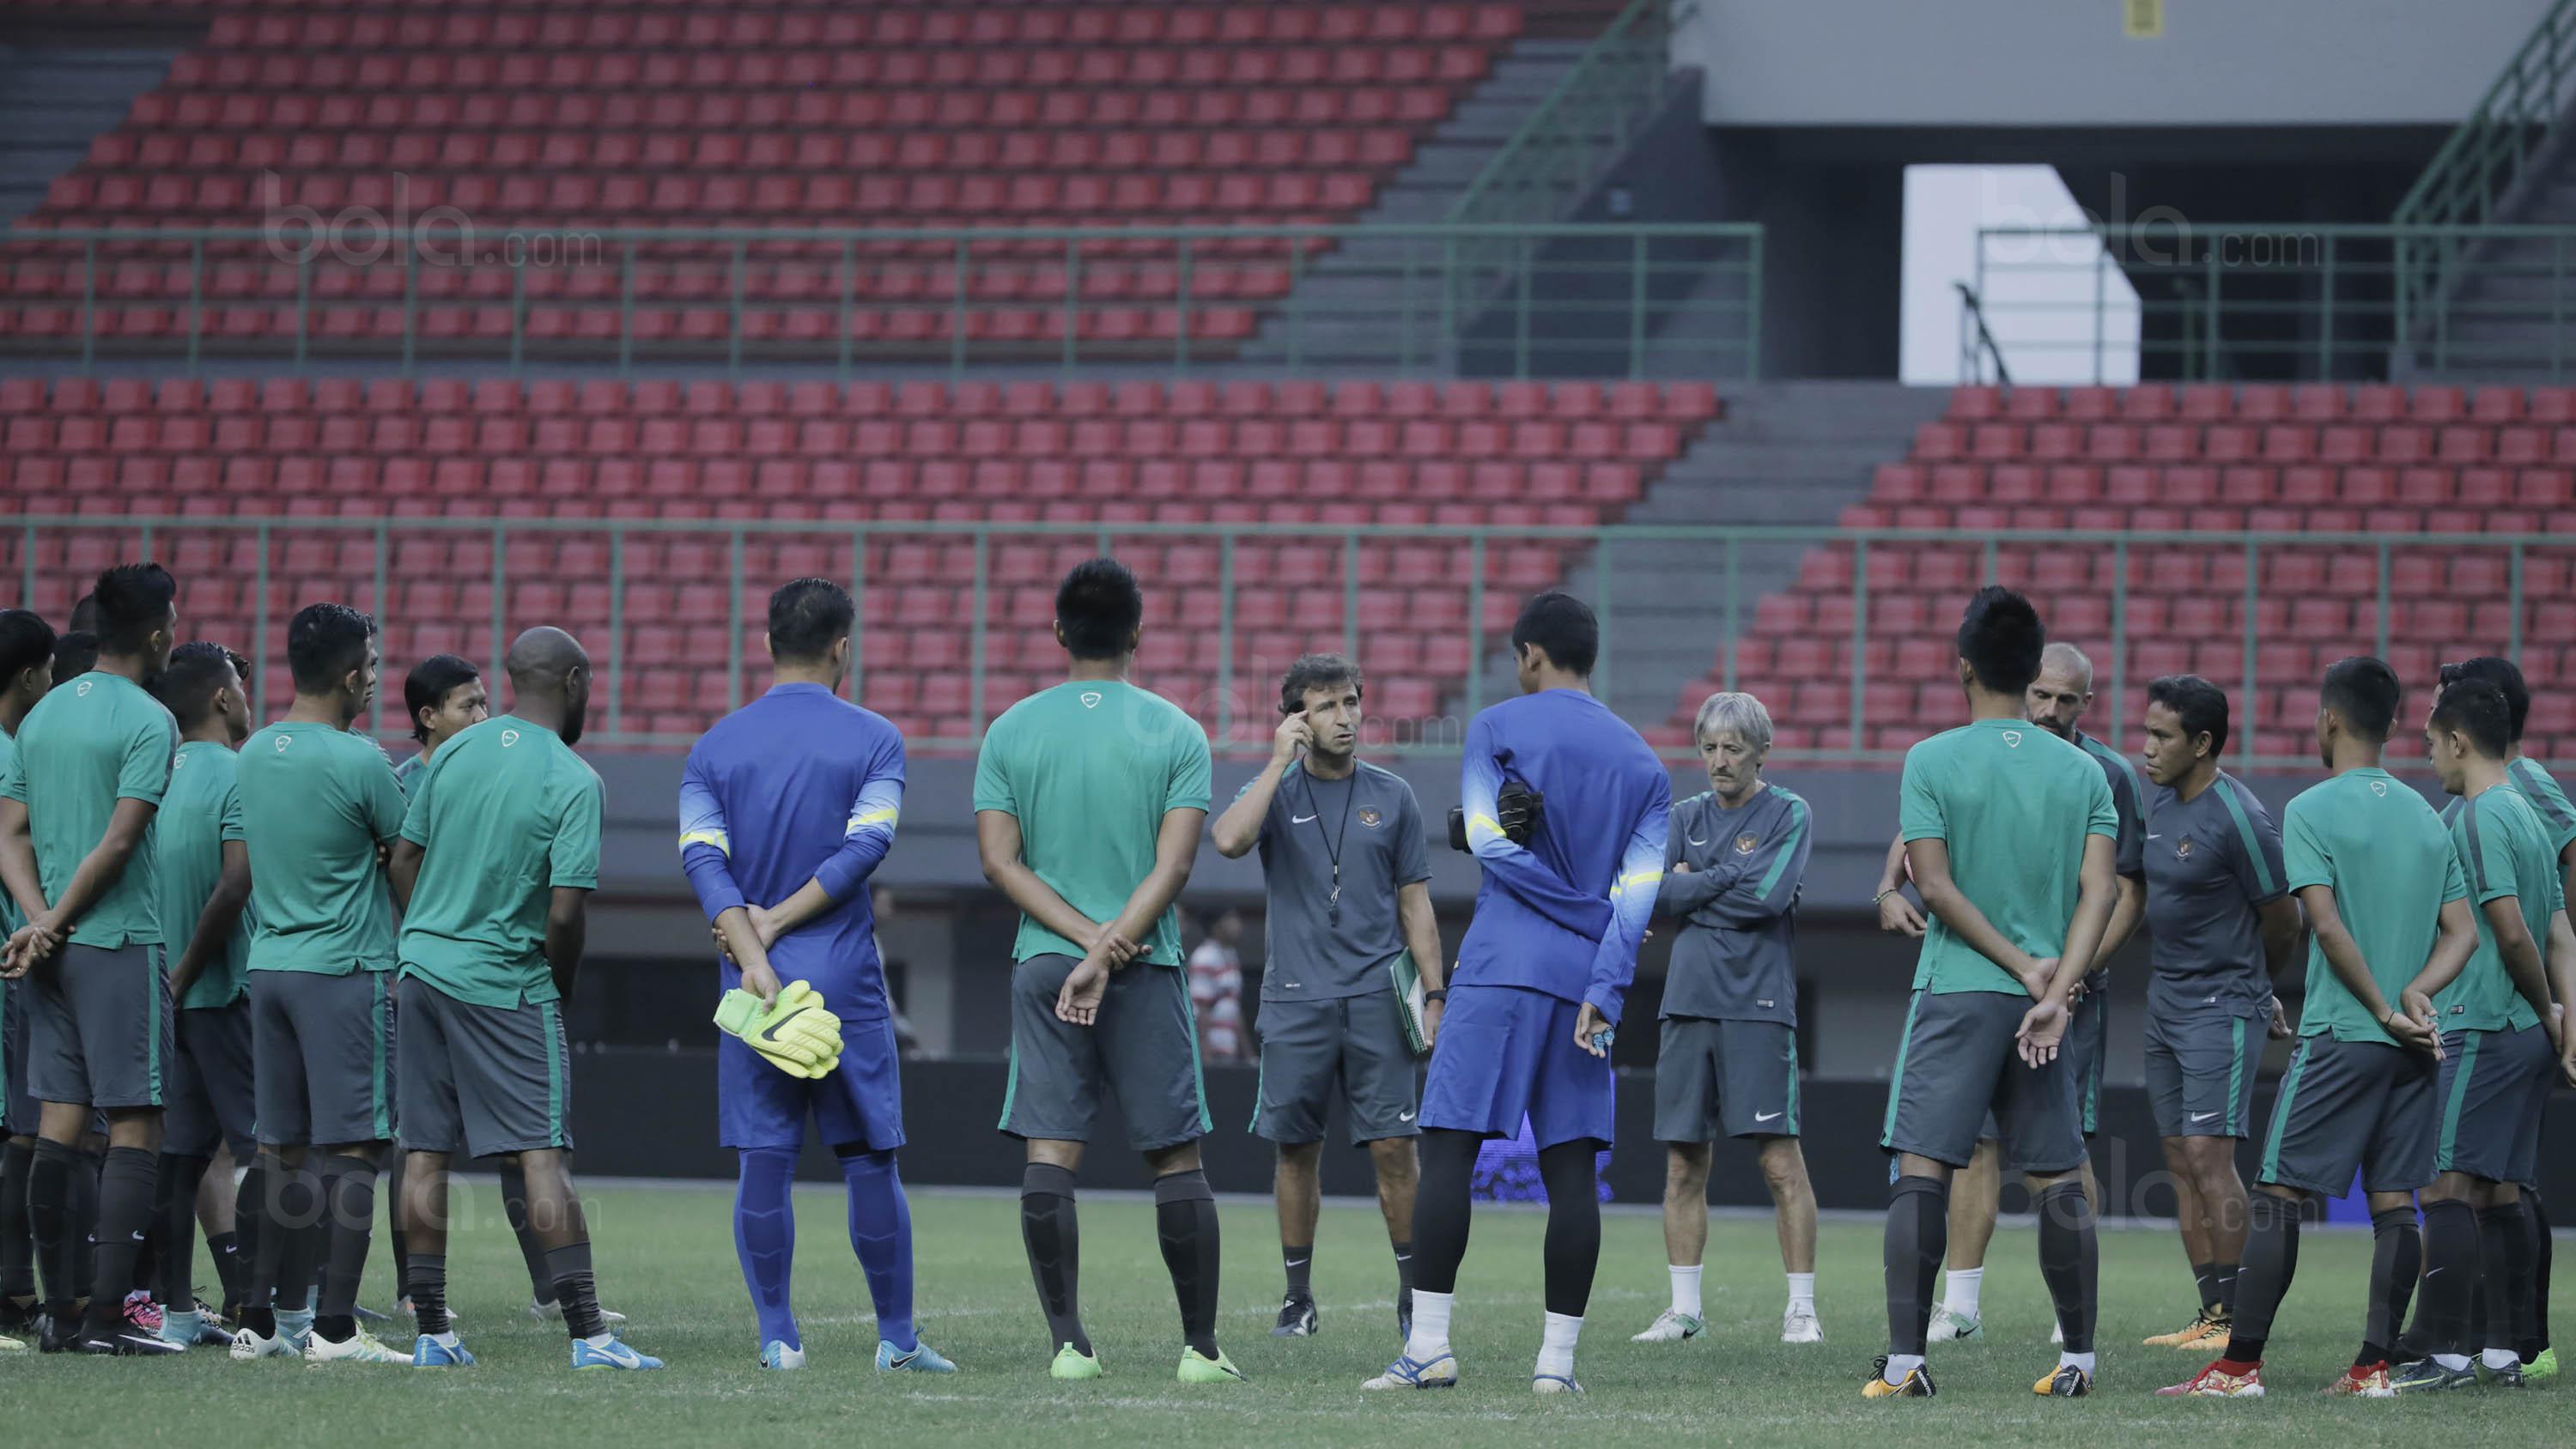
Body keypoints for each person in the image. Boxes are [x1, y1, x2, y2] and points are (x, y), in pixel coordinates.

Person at [1364, 591, 1670, 1397]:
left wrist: (1577, 907)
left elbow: (1488, 841)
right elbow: (1639, 897)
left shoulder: (1497, 725)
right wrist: (1606, 978)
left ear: (1530, 654)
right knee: (1572, 1172)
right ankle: (1555, 1367)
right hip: (1586, 984)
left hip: (1500, 967)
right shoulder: (1646, 764)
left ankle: (1428, 1349)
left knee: (1450, 1150)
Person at [2163, 656, 2476, 1399]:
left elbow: (2326, 928)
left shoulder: (2310, 808)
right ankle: (2372, 1368)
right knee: (2395, 1203)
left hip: (2344, 1033)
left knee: (2277, 1194)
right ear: (2393, 724)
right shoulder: (2427, 816)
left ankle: (2237, 1368)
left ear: (2329, 720)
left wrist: (2382, 1009)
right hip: (2414, 1045)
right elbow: (2463, 933)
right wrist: (2416, 996)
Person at [679, 578, 954, 1374]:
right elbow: (868, 845)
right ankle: (896, 1341)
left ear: (768, 645)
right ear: (843, 648)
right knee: (868, 1158)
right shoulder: (876, 738)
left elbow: (702, 858)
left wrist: (752, 945)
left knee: (764, 1159)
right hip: (843, 980)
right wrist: (776, 923)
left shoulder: (713, 747)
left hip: (752, 987)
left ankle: (779, 1339)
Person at [974, 558, 1236, 1384]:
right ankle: (1200, 1353)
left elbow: (999, 862)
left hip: (1045, 964)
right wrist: (1112, 944)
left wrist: (1083, 943)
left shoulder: (1010, 731)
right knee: (1177, 1158)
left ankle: (1069, 1349)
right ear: (1138, 633)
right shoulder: (1177, 731)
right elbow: (1176, 866)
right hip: (1144, 961)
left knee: (1051, 1152)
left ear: (1059, 632)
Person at [387, 625, 659, 1371]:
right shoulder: (573, 779)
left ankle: (434, 1333)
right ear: (573, 682)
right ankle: (590, 1337)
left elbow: (404, 858)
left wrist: (430, 931)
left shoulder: (453, 752)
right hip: (504, 981)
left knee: (423, 1153)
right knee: (541, 1155)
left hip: (421, 970)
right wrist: (559, 984)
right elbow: (565, 915)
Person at [1869, 586, 2117, 1401]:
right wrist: (2056, 982)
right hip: (2047, 1006)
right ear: (2032, 668)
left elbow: (1934, 886)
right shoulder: (2083, 771)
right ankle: (2078, 1362)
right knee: (2059, 1177)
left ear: (1964, 667)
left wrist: (2018, 965)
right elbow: (2102, 893)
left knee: (1923, 1168)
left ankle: (1906, 1364)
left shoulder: (1931, 759)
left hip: (1959, 991)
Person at [1210, 652, 1443, 1344]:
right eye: (1327, 706)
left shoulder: (1394, 795)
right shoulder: (1274, 790)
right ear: (1296, 719)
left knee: (1395, 1149)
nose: (1346, 717)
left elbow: (1416, 905)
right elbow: (1227, 840)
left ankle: (1413, 1299)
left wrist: (1435, 994)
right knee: (1295, 1150)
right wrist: (1276, 762)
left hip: (1377, 999)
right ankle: (1297, 1298)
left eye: (1351, 702)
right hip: (1295, 1001)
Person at [0, 563, 183, 1355]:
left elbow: (9, 833)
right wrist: (60, 919)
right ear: (156, 634)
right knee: (138, 1121)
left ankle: (60, 1316)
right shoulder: (149, 719)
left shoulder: (41, 716)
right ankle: (108, 1320)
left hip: (47, 954)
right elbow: (119, 841)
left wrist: (37, 921)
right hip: (116, 941)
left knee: (58, 1122)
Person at [230, 604, 410, 1365]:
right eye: (371, 665)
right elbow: (408, 855)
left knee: (280, 1151)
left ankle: (260, 1322)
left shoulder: (253, 752)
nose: (374, 678)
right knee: (356, 1151)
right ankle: (335, 1329)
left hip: (269, 965)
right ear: (348, 674)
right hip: (342, 969)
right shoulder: (361, 760)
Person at [2389, 681, 2566, 1392]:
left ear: (2459, 741)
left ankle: (2445, 1352)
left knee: (2444, 1185)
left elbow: (2514, 934)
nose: (2429, 757)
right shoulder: (2526, 812)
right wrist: (2558, 1020)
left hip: (2484, 1022)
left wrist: (2542, 1006)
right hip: (2525, 1034)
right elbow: (2561, 932)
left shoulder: (2480, 816)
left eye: (2432, 743)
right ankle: (2503, 1352)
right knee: (2500, 1193)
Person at [1632, 690, 1821, 1348]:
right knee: (1684, 1164)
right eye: (1709, 747)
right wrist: (1723, 877)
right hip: (1687, 1004)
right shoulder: (1683, 815)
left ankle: (1801, 1310)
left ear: (1761, 752)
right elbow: (1653, 891)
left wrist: (1695, 882)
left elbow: (1767, 900)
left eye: (1733, 749)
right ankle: (1685, 1312)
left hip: (1758, 1006)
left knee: (1779, 1163)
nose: (1719, 760)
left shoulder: (1789, 812)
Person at [2131, 675, 2299, 1355]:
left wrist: (2256, 985)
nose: (2147, 747)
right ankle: (2210, 1310)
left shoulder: (2242, 817)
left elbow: (2284, 919)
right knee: (2179, 1157)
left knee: (2209, 1154)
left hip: (2221, 1007)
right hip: (2164, 1003)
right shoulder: (2161, 804)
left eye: (2161, 736)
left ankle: (2236, 1320)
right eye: (2146, 732)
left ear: (2202, 743)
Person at [145, 643, 258, 1349]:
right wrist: (188, 970)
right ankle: (278, 1309)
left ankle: (179, 1310)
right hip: (221, 989)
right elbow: (236, 882)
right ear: (222, 699)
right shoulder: (238, 773)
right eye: (240, 690)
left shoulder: (158, 773)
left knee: (180, 1157)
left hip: (168, 998)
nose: (248, 699)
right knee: (266, 1150)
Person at [0, 608, 54, 1348]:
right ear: (29, 676)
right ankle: (13, 1291)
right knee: (19, 1131)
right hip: (12, 958)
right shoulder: (13, 757)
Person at [1185, 910, 1247, 1063]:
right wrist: (1205, 1055)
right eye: (1231, 919)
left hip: (1228, 1047)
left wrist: (1248, 1054)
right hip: (1211, 1050)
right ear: (1216, 926)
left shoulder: (1231, 954)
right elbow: (1200, 1008)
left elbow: (1234, 1008)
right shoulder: (1205, 956)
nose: (1238, 925)